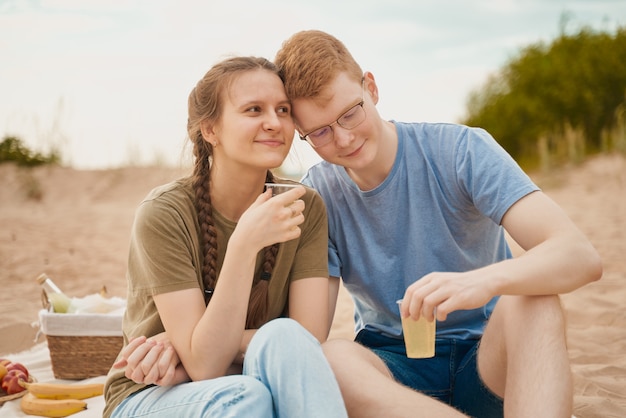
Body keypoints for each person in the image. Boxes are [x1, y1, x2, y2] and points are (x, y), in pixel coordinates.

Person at [273, 30, 603, 418]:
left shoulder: (460, 150)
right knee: (330, 359)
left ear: (371, 89)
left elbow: (580, 255)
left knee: (537, 299)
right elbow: (310, 332)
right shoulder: (318, 196)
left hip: (487, 359)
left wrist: (481, 282)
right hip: (391, 368)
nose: (344, 139)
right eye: (321, 132)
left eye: (350, 113)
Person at [103, 56, 347, 418]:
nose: (274, 123)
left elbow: (304, 344)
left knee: (281, 340)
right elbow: (206, 367)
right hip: (153, 391)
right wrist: (244, 245)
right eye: (253, 110)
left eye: (282, 109)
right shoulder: (164, 214)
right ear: (210, 130)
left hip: (249, 376)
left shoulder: (303, 207)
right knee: (246, 398)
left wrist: (185, 345)